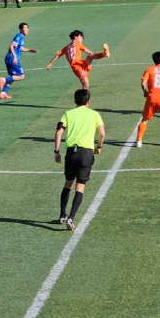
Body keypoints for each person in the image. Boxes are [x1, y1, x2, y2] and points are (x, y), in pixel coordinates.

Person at [54, 88, 105, 231]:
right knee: (80, 186)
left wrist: (56, 151)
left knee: (68, 184)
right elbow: (102, 133)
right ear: (88, 101)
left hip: (71, 153)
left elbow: (59, 131)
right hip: (86, 153)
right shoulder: (94, 114)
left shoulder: (68, 114)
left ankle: (62, 215)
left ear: (75, 101)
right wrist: (99, 146)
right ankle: (71, 217)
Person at [0, 22, 38, 99]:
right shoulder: (19, 36)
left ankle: (3, 93)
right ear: (20, 29)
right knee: (21, 76)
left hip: (9, 59)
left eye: (27, 28)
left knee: (13, 77)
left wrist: (30, 50)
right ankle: (3, 80)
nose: (26, 30)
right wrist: (15, 57)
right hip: (13, 59)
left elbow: (20, 48)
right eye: (24, 28)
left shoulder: (21, 37)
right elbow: (11, 46)